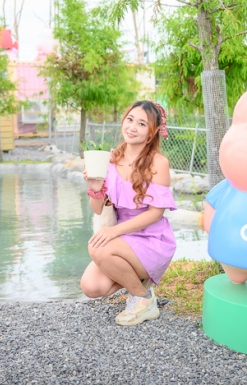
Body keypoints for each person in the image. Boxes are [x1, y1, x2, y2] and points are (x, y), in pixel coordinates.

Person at [80, 100, 177, 326]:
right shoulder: (110, 160)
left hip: (151, 238)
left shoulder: (158, 163)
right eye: (130, 120)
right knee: (92, 287)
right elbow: (98, 209)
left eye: (142, 124)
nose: (132, 127)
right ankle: (139, 280)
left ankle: (143, 299)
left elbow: (155, 214)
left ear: (152, 133)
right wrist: (96, 189)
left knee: (98, 247)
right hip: (123, 237)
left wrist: (114, 232)